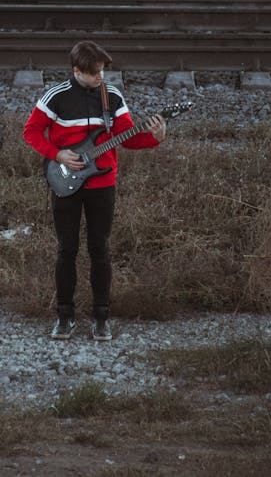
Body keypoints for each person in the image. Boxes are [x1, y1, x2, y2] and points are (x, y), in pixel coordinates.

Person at [23, 40, 166, 341]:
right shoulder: (56, 96)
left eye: (102, 72)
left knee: (100, 250)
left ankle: (101, 318)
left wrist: (155, 137)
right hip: (64, 181)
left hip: (103, 184)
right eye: (94, 74)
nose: (100, 78)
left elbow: (127, 138)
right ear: (77, 71)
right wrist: (58, 154)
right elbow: (31, 131)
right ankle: (65, 317)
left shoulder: (111, 97)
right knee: (66, 250)